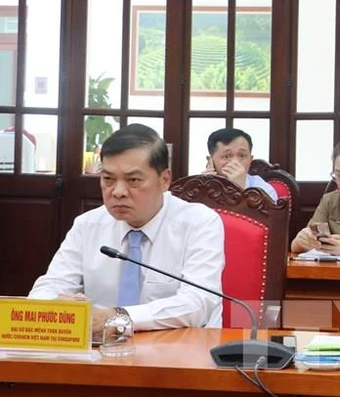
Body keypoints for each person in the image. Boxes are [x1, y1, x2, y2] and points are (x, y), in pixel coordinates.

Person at [29, 124, 224, 335]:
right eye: (108, 179)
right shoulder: (87, 225)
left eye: (134, 180)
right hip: (101, 354)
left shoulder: (199, 223)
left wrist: (117, 317)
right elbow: (47, 288)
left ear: (165, 180)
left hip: (180, 352)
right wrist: (57, 304)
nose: (118, 192)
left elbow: (198, 303)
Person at [203, 127, 278, 202]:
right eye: (226, 156)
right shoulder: (196, 187)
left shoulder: (263, 189)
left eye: (242, 156)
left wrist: (240, 189)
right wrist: (204, 190)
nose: (235, 162)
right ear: (210, 161)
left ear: (250, 159)